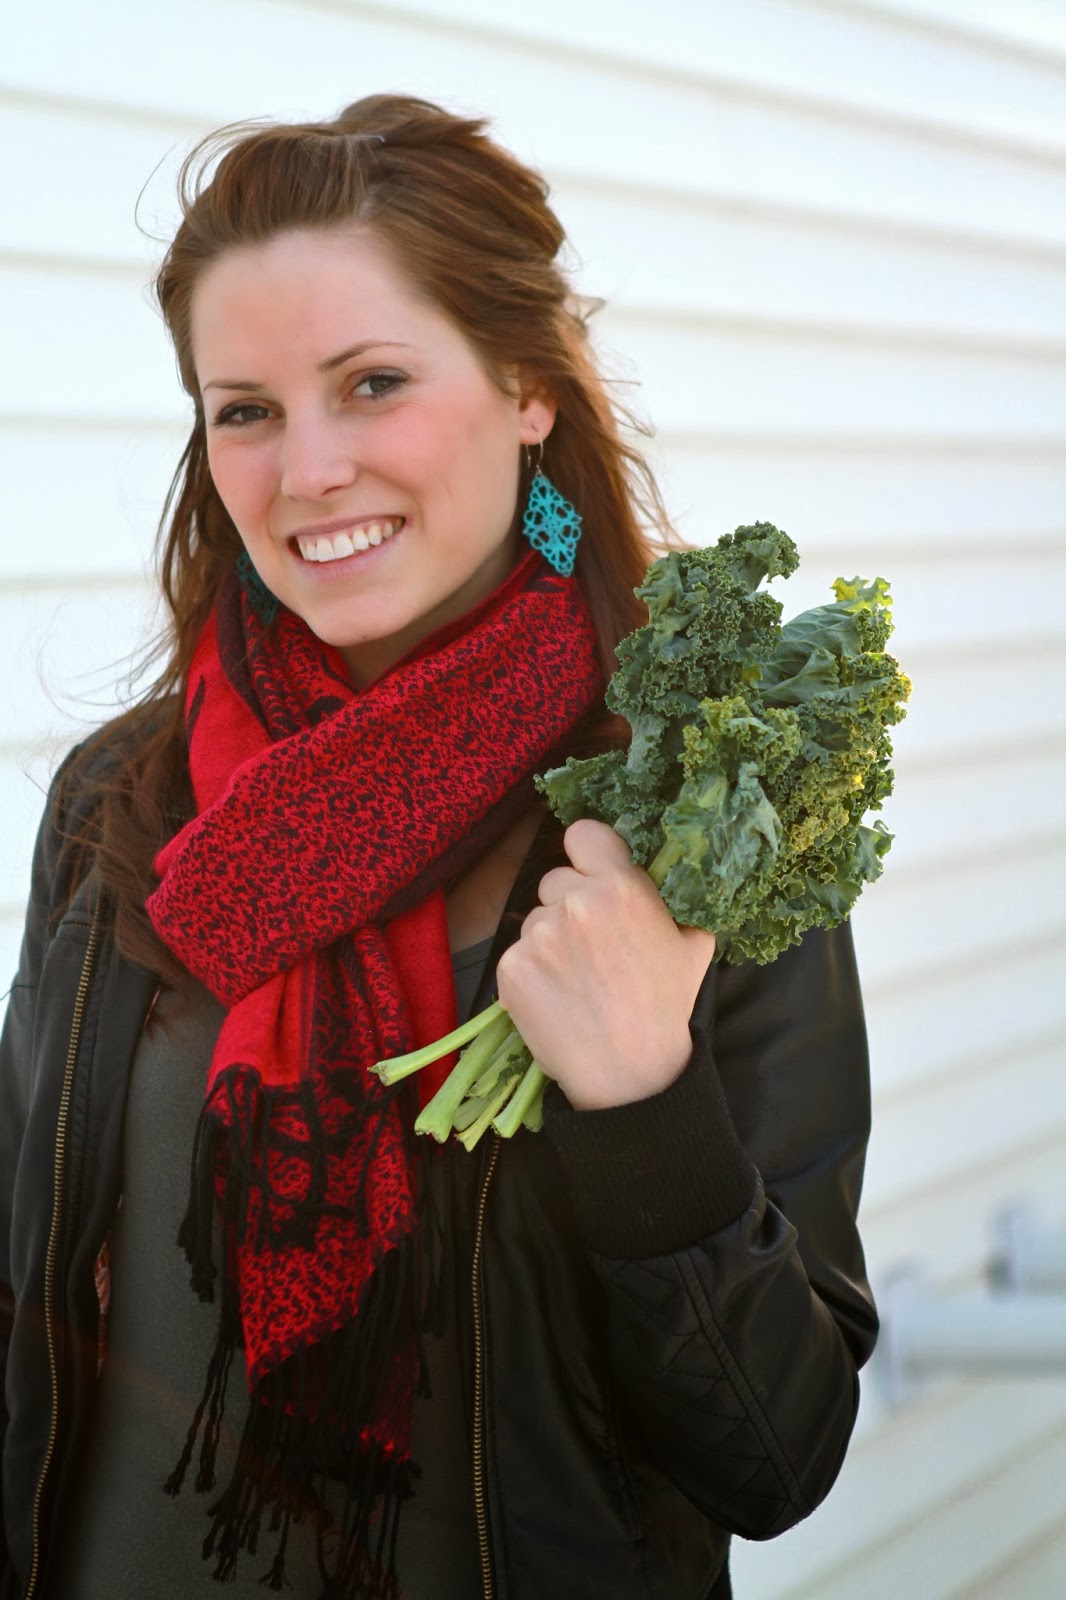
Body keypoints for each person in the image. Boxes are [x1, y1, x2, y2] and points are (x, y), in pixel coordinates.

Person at [0, 94, 877, 1600]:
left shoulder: (687, 815)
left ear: (528, 384)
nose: (307, 469)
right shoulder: (122, 801)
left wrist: (640, 1095)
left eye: (374, 383)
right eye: (246, 409)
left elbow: (774, 1457)